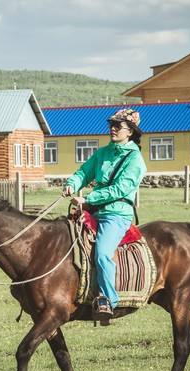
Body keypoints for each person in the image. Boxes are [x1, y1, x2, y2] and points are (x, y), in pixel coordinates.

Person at [62, 108, 147, 319]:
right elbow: (84, 172)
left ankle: (109, 300)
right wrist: (72, 184)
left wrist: (88, 198)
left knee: (101, 253)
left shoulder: (135, 160)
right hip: (93, 210)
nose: (113, 128)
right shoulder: (102, 153)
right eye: (111, 125)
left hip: (116, 214)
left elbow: (120, 189)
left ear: (130, 132)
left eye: (118, 126)